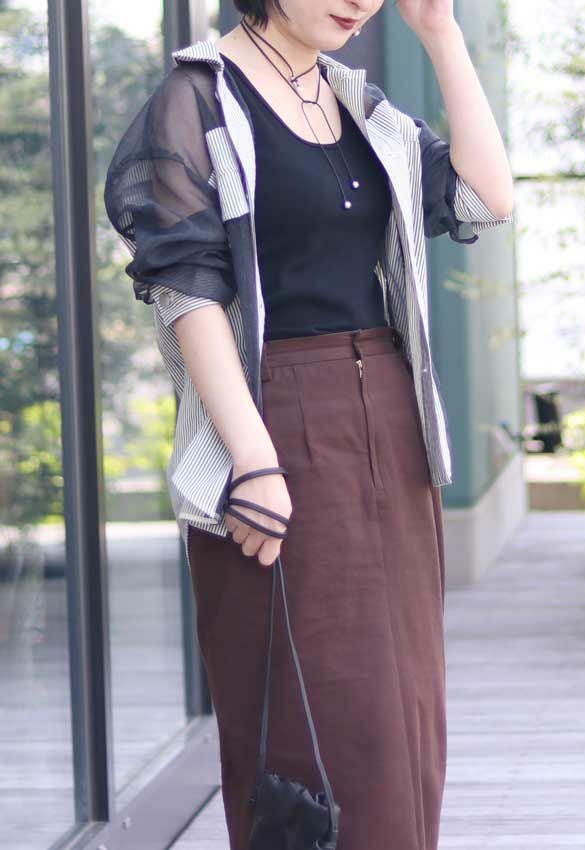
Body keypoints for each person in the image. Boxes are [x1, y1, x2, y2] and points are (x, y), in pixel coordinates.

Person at [103, 1, 513, 848]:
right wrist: (253, 459)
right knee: (319, 719)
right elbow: (187, 290)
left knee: (405, 715)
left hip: (391, 418)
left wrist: (442, 34)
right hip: (276, 413)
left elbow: (483, 197)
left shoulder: (359, 103)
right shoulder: (200, 101)